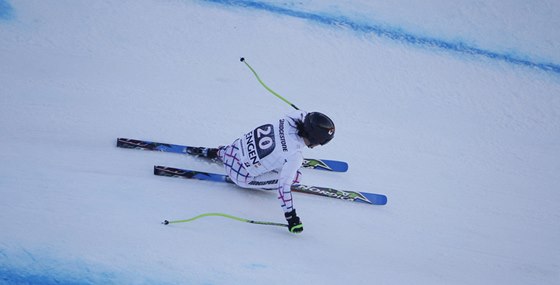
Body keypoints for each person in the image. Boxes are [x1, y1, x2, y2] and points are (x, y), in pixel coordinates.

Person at [191, 110, 335, 233]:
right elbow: (282, 188)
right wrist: (292, 218)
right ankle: (262, 171)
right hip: (239, 175)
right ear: (316, 140)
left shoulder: (290, 118)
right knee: (296, 177)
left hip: (230, 152)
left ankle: (217, 153)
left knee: (270, 153)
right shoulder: (295, 156)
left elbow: (305, 114)